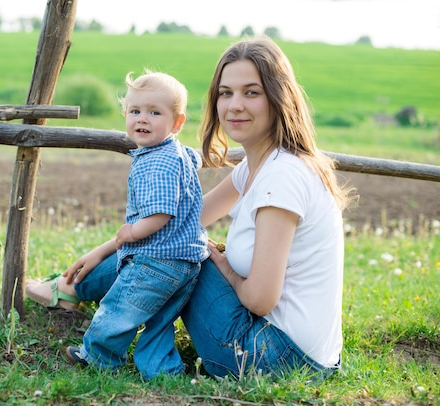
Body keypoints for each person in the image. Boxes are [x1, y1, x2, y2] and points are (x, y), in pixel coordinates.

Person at [27, 36, 355, 380]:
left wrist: (222, 263)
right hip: (297, 353)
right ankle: (73, 286)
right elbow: (186, 220)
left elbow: (260, 299)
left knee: (187, 254)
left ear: (278, 98)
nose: (234, 105)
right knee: (180, 245)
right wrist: (104, 249)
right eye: (225, 93)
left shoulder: (283, 176)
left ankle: (69, 290)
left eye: (251, 92)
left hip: (270, 356)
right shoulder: (258, 166)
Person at [26, 70, 209, 381]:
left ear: (177, 123)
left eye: (155, 113)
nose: (143, 119)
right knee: (160, 322)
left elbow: (161, 213)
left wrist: (132, 231)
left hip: (156, 261)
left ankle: (99, 358)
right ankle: (163, 372)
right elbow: (194, 163)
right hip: (187, 263)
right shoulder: (178, 154)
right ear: (125, 114)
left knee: (120, 308)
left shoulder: (158, 161)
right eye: (135, 111)